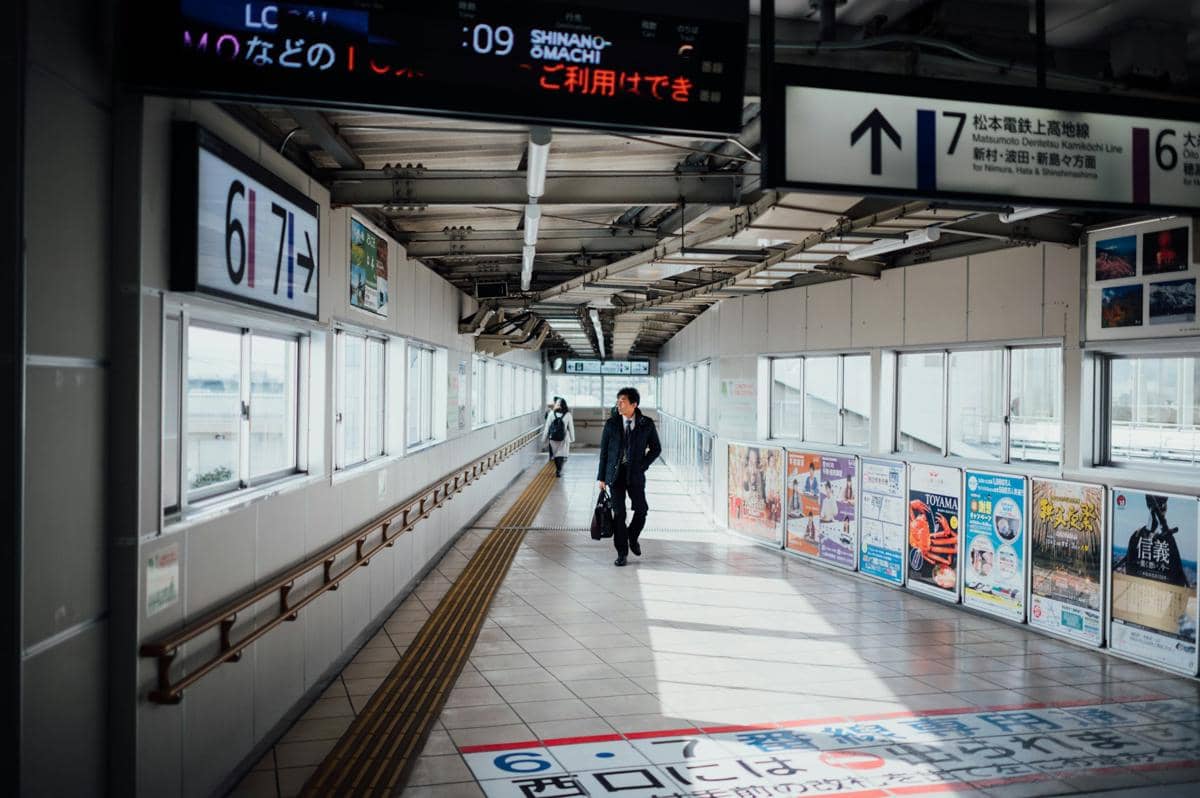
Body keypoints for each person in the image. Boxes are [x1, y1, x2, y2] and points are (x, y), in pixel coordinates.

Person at [597, 386, 662, 566]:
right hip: (615, 475)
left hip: (635, 474)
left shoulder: (646, 424)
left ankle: (632, 537)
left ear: (634, 404)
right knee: (619, 514)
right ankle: (622, 553)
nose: (619, 404)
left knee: (641, 510)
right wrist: (601, 477)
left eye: (622, 401)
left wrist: (643, 465)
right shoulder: (611, 424)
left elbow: (656, 449)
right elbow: (604, 453)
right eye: (618, 401)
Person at [540, 397, 575, 477]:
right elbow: (571, 428)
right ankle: (559, 470)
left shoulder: (551, 414)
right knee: (561, 454)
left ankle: (558, 469)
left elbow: (547, 427)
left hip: (553, 439)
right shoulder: (568, 415)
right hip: (563, 438)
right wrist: (572, 438)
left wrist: (544, 438)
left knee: (556, 454)